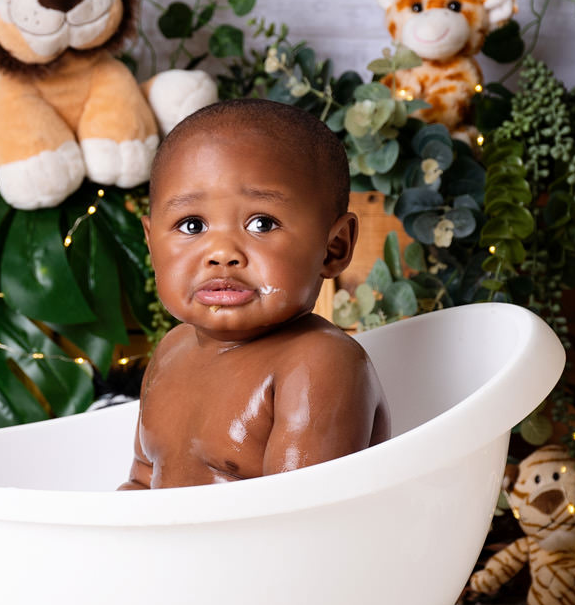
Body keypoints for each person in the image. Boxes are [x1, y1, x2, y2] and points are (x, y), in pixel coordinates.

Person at [122, 99, 391, 489]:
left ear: (334, 248)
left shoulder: (317, 364)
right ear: (151, 244)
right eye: (192, 225)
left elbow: (293, 519)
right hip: (179, 548)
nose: (221, 254)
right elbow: (143, 482)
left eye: (262, 223)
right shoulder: (171, 351)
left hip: (270, 548)